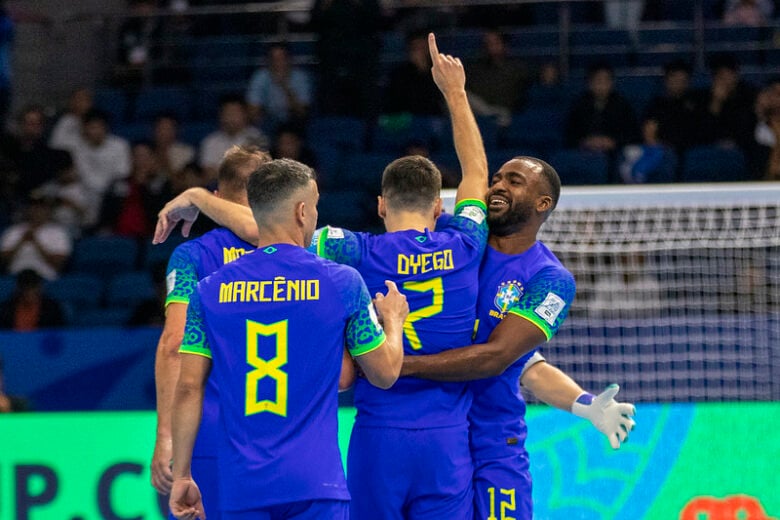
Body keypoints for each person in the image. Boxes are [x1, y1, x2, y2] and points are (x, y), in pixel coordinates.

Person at [310, 33, 489, 519]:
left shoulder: (354, 250)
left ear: (381, 205)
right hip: (447, 442)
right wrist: (454, 91)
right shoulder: (466, 243)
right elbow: (475, 171)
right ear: (438, 206)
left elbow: (281, 230)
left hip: (379, 435)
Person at [169, 158, 408, 519]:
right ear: (301, 211)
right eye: (314, 208)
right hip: (316, 484)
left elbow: (188, 387)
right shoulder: (341, 282)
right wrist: (393, 320)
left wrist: (183, 474)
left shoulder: (209, 291)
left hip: (242, 486)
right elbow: (385, 373)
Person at [401, 155, 636, 519]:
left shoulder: (549, 279)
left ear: (543, 203)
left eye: (514, 181)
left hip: (492, 440)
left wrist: (585, 404)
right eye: (496, 178)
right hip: (425, 431)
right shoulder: (452, 237)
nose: (497, 185)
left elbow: (507, 358)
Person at [150, 145, 270, 520]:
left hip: (211, 431)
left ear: (218, 199)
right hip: (285, 431)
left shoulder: (193, 257)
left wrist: (166, 435)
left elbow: (174, 346)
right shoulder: (302, 250)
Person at [0, 195, 72, 280]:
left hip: (45, 278)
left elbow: (58, 264)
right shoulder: (13, 231)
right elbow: (3, 260)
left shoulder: (58, 232)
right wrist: (20, 242)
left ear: (48, 210)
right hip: (16, 278)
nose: (37, 211)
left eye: (41, 208)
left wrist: (36, 242)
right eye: (34, 207)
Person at [199, 96, 268, 182]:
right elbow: (208, 173)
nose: (230, 117)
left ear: (245, 114)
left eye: (235, 113)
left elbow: (257, 170)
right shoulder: (210, 141)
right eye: (227, 113)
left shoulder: (257, 137)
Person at [245, 43, 312, 130]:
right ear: (268, 61)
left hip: (294, 120)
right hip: (268, 120)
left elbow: (302, 112)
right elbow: (253, 110)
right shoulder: (260, 76)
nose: (277, 63)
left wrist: (285, 87)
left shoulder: (301, 77)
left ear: (289, 59)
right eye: (273, 59)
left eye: (281, 58)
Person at [0, 268, 65, 330]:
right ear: (19, 289)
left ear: (40, 287)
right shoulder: (6, 309)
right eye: (26, 287)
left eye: (33, 287)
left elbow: (60, 332)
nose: (30, 292)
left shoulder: (52, 308)